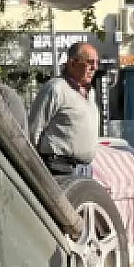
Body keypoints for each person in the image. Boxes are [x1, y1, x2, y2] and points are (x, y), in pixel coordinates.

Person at [27, 42, 101, 176]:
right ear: (72, 63)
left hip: (84, 169)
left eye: (96, 63)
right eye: (89, 62)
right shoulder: (56, 89)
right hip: (59, 166)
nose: (94, 67)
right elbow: (34, 130)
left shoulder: (90, 93)